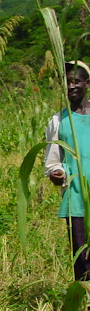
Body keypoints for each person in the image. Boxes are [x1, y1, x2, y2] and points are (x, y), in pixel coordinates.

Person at [45, 60, 90, 281]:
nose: (71, 87)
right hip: (76, 198)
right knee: (82, 257)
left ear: (87, 83)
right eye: (67, 83)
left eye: (76, 81)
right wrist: (57, 174)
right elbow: (53, 162)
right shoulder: (58, 121)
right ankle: (84, 305)